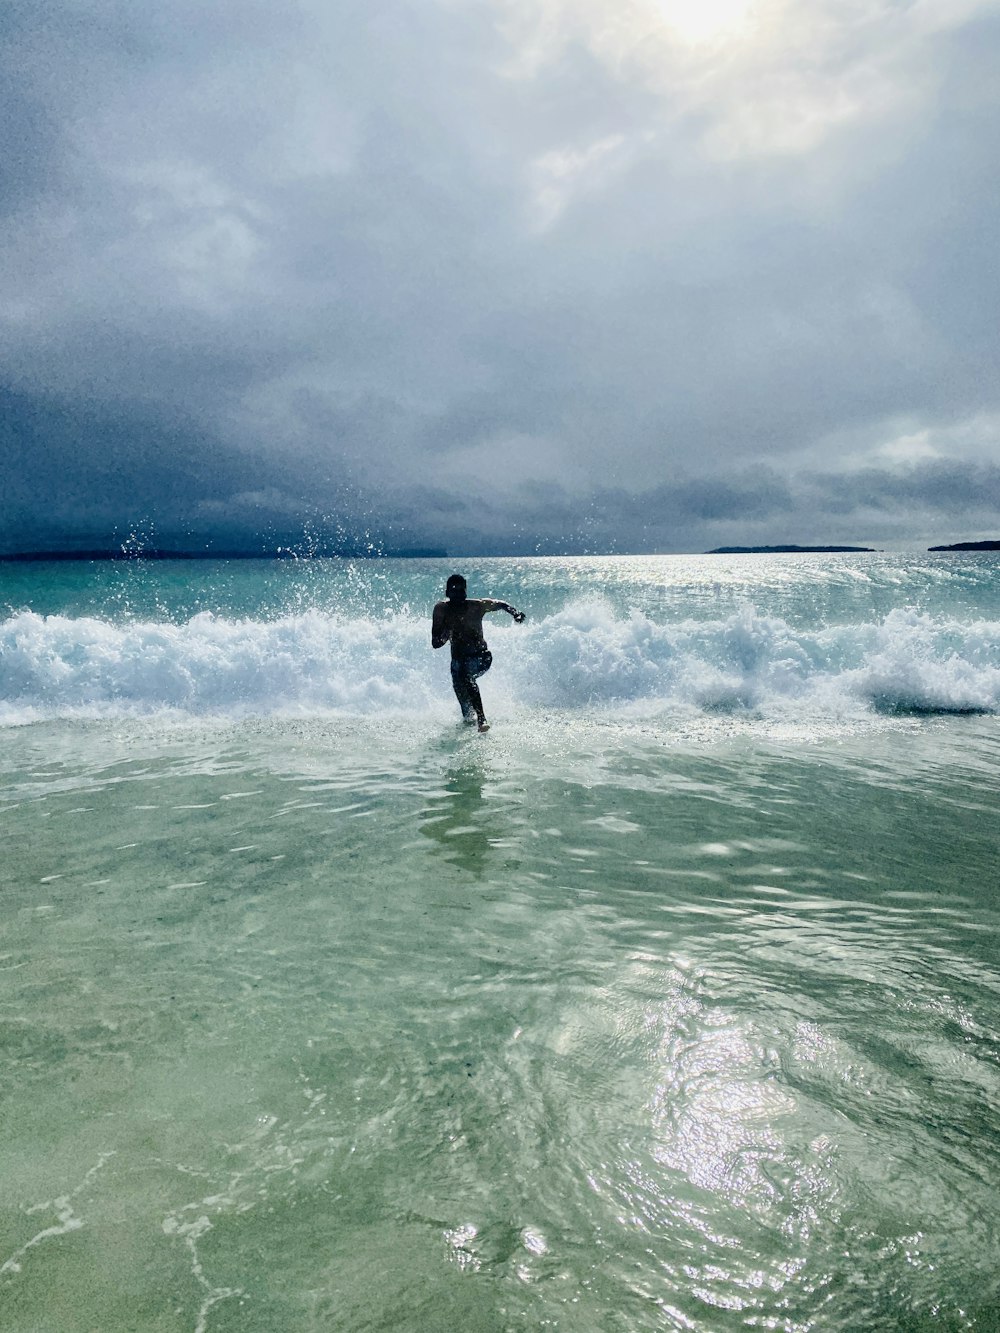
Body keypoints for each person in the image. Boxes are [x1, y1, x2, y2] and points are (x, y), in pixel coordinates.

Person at [431, 573, 525, 731]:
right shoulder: (441, 610)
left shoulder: (477, 606)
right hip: (457, 663)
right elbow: (435, 643)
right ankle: (472, 731)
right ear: (447, 593)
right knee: (466, 712)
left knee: (466, 676)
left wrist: (515, 613)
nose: (458, 595)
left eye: (461, 591)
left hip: (482, 657)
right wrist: (446, 634)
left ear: (466, 592)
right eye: (453, 591)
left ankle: (482, 719)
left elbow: (500, 604)